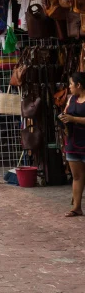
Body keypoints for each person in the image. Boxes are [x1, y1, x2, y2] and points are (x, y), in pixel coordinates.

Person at [61, 71, 85, 217]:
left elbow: (72, 117)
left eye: (71, 84)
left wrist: (73, 119)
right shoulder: (71, 99)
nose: (69, 87)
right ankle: (76, 207)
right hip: (73, 141)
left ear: (79, 85)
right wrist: (63, 119)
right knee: (76, 176)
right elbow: (66, 114)